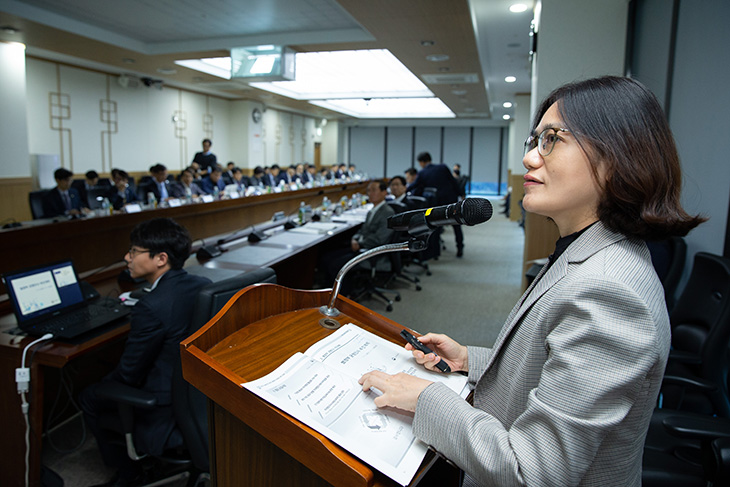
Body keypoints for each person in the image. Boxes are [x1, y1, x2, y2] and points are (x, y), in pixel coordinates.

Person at [358, 76, 705, 487]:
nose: (529, 159)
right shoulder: (589, 250)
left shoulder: (610, 292)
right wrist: (471, 360)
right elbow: (550, 366)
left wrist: (424, 398)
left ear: (617, 156)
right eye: (533, 141)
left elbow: (532, 472)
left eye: (552, 139)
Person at [79, 218, 211, 487]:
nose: (127, 258)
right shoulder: (202, 284)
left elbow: (129, 374)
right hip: (198, 394)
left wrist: (106, 384)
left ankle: (128, 474)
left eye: (134, 252)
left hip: (164, 406)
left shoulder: (150, 306)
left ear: (160, 258)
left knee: (90, 396)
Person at [321, 180, 395, 294]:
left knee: (336, 266)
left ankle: (342, 298)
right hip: (360, 246)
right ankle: (326, 294)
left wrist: (360, 243)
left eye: (374, 190)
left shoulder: (387, 212)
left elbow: (380, 239)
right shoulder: (372, 210)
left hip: (371, 252)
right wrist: (355, 238)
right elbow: (362, 230)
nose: (370, 193)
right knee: (326, 257)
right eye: (368, 190)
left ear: (384, 192)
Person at [407, 151, 464, 257]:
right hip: (451, 201)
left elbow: (414, 185)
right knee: (456, 226)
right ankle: (460, 247)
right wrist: (461, 194)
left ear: (422, 162)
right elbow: (453, 182)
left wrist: (404, 190)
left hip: (437, 204)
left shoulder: (423, 173)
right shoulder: (443, 167)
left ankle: (436, 252)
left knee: (436, 227)